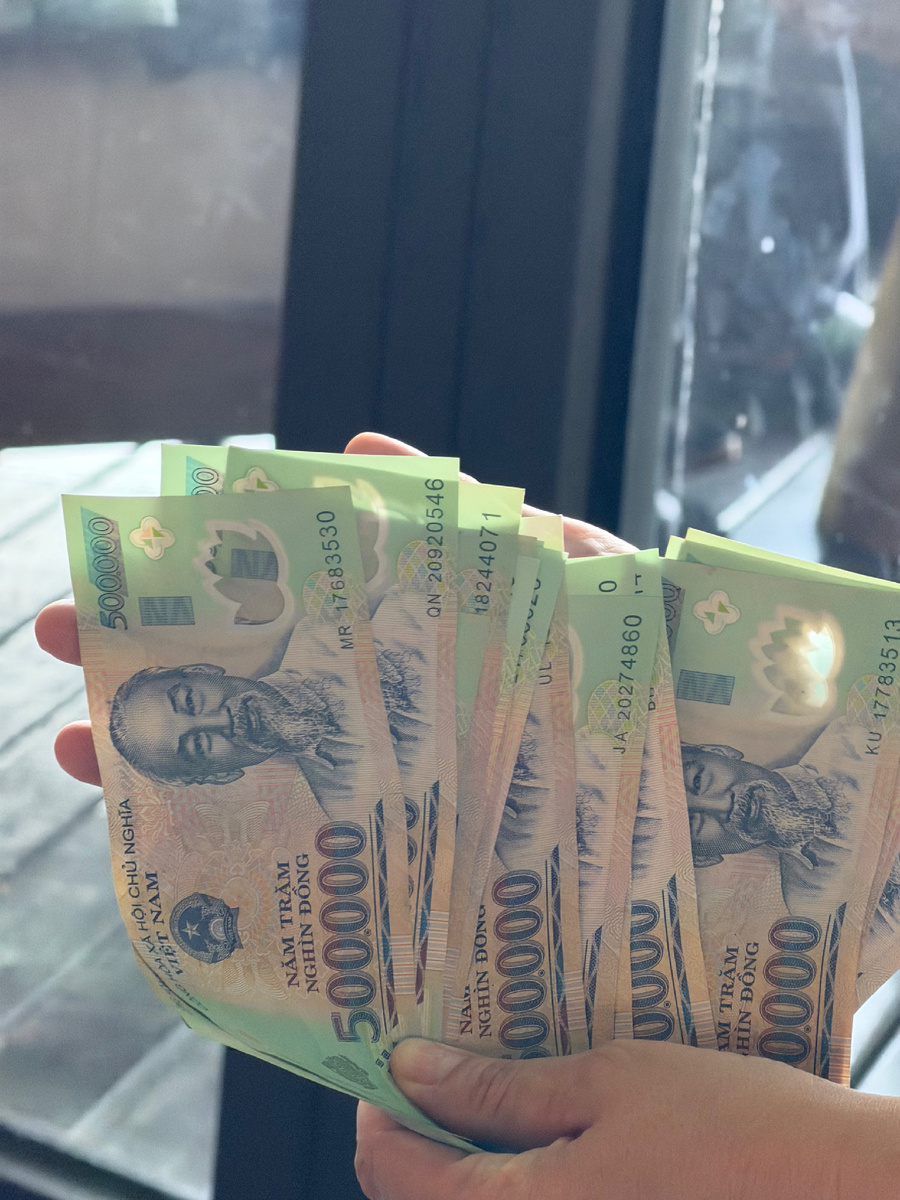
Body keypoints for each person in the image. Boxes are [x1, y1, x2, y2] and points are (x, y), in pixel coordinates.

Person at [35, 431, 900, 1200]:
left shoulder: (367, 626)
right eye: (201, 747)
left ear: (212, 673)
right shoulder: (364, 830)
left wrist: (823, 1171)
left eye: (195, 701)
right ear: (223, 772)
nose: (223, 724)